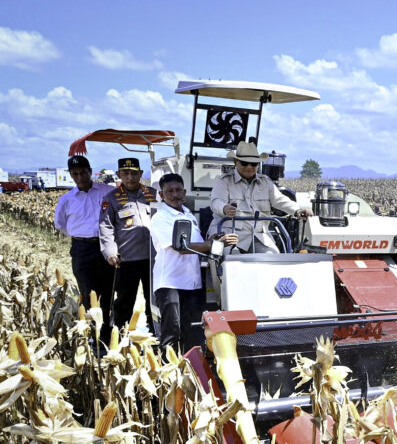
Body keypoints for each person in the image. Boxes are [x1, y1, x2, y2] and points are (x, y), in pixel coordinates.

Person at [149, 174, 237, 351]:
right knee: (172, 333)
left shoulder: (188, 214)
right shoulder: (160, 218)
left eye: (178, 190)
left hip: (192, 284)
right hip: (170, 284)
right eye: (169, 191)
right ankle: (169, 367)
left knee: (193, 333)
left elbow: (198, 244)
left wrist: (213, 239)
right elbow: (182, 247)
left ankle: (191, 368)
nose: (175, 195)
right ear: (161, 194)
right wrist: (215, 245)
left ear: (184, 192)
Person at [209, 141, 311, 253]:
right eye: (244, 163)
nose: (249, 167)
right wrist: (225, 208)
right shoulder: (224, 181)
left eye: (254, 164)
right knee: (228, 258)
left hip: (258, 236)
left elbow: (280, 200)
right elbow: (216, 202)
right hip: (228, 235)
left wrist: (297, 211)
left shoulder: (265, 182)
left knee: (273, 256)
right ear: (235, 162)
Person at [55, 155, 115, 338]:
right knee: (88, 290)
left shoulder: (108, 191)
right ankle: (93, 332)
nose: (80, 177)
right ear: (71, 175)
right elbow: (60, 224)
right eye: (75, 174)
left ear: (90, 171)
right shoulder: (66, 199)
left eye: (83, 172)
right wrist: (81, 234)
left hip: (106, 246)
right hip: (81, 249)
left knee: (107, 289)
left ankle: (108, 332)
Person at [99, 157, 157, 332]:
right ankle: (119, 335)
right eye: (125, 173)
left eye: (134, 173)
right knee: (125, 300)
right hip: (127, 259)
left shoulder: (153, 195)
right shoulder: (111, 198)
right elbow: (106, 227)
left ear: (141, 173)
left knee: (154, 299)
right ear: (119, 174)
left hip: (153, 258)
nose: (130, 177)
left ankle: (155, 332)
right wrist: (110, 252)